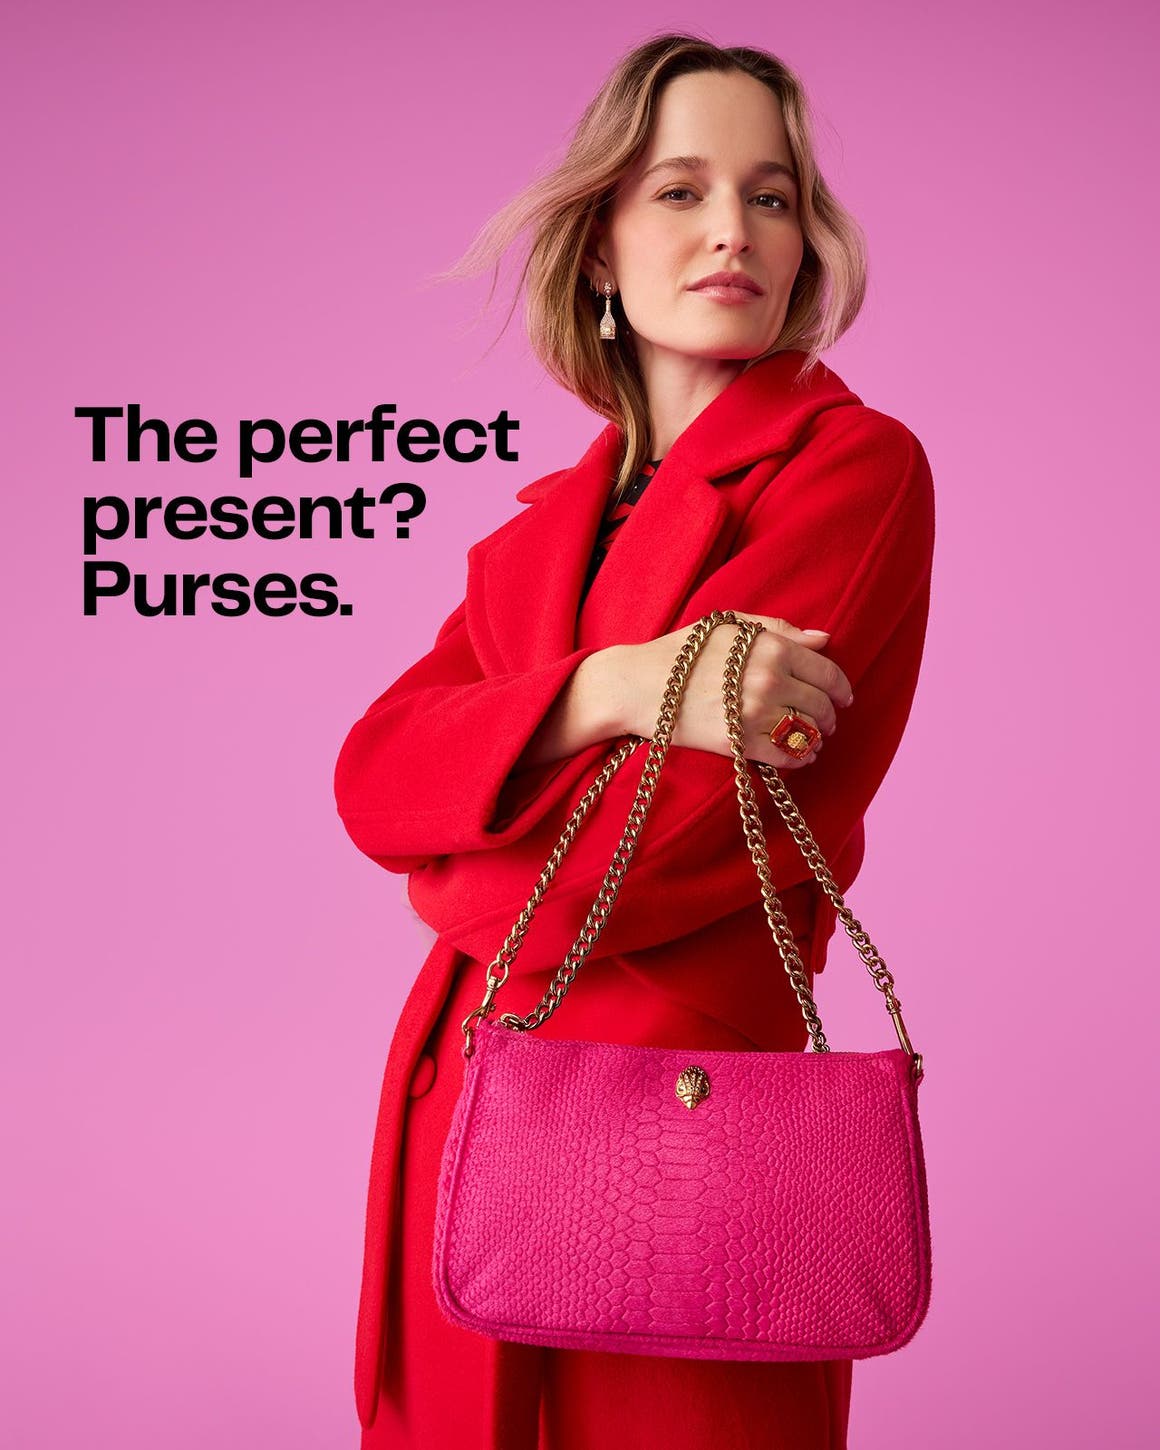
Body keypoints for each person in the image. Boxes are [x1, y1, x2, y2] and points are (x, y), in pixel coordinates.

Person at [334, 32, 936, 1450]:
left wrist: (452, 877)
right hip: (459, 1117)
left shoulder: (852, 469)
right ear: (600, 247)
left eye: (773, 194)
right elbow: (371, 776)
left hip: (686, 1134)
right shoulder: (535, 536)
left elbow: (669, 835)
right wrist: (619, 686)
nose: (734, 228)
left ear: (804, 242)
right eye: (679, 190)